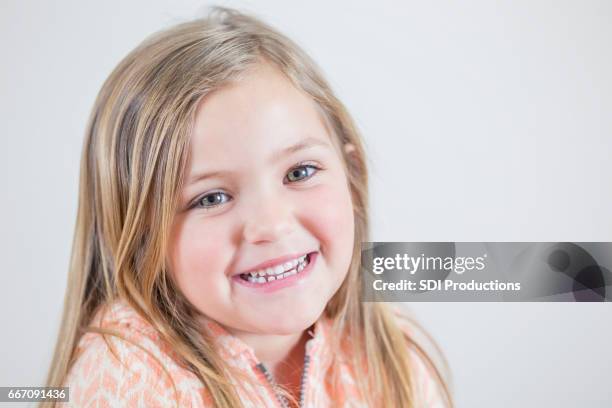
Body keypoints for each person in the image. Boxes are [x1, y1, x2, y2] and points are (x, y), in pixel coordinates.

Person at [44, 7, 453, 407]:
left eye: (299, 172)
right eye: (211, 198)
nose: (271, 225)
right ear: (140, 234)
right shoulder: (128, 379)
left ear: (351, 172)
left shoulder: (390, 353)